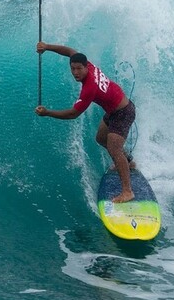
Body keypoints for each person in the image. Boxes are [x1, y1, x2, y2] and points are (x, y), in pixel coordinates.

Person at [34, 42, 136, 203]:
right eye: (73, 69)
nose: (75, 72)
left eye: (79, 69)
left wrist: (47, 113)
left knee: (114, 149)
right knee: (101, 138)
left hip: (123, 112)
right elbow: (69, 51)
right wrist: (47, 47)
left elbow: (73, 114)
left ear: (86, 67)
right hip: (113, 110)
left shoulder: (89, 87)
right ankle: (128, 162)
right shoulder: (86, 63)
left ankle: (127, 191)